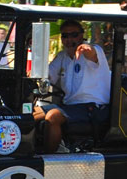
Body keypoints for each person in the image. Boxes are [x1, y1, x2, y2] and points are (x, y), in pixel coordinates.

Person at [33, 20, 111, 152]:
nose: (69, 39)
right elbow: (47, 75)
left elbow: (92, 54)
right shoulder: (63, 56)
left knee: (53, 116)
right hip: (70, 106)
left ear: (81, 35)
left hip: (92, 107)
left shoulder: (94, 50)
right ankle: (29, 151)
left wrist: (87, 49)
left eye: (74, 35)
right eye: (65, 35)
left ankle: (47, 159)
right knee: (32, 113)